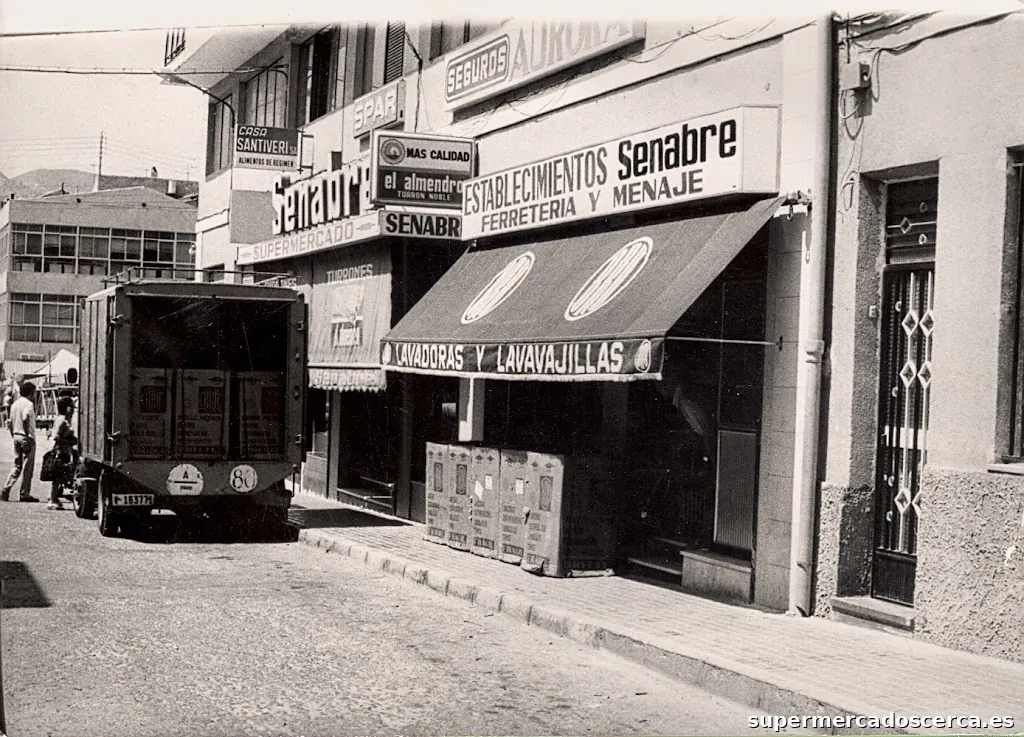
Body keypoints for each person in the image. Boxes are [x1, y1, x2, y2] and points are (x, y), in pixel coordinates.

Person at [2, 381, 39, 502]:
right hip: (26, 437)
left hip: (16, 436)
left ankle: (5, 489)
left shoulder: (14, 404)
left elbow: (10, 422)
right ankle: (24, 493)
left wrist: (13, 434)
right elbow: (25, 417)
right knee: (28, 467)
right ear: (30, 393)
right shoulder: (29, 404)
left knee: (16, 465)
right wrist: (28, 436)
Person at [47, 396, 77, 510]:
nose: (73, 410)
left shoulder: (61, 419)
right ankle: (52, 500)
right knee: (57, 477)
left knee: (60, 477)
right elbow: (56, 436)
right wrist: (68, 441)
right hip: (61, 451)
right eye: (72, 408)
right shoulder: (62, 421)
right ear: (67, 408)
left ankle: (54, 498)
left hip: (64, 451)